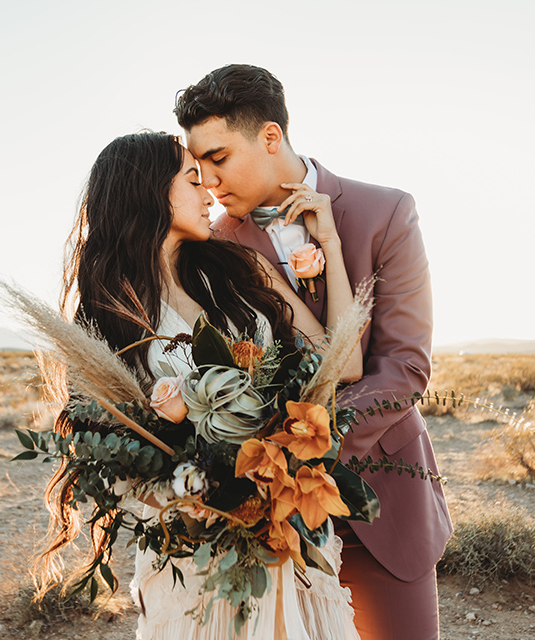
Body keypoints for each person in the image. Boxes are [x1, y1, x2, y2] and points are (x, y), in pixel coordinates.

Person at [33, 131, 363, 639]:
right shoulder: (107, 322)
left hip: (281, 532)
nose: (209, 190)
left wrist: (332, 245)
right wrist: (206, 495)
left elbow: (340, 363)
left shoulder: (237, 272)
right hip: (195, 551)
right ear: (151, 192)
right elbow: (111, 455)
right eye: (192, 178)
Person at [174, 64, 453, 640]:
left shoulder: (386, 213)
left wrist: (309, 459)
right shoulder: (215, 245)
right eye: (196, 166)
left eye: (219, 158)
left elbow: (404, 365)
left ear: (270, 137)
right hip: (269, 519)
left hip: (382, 494)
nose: (207, 181)